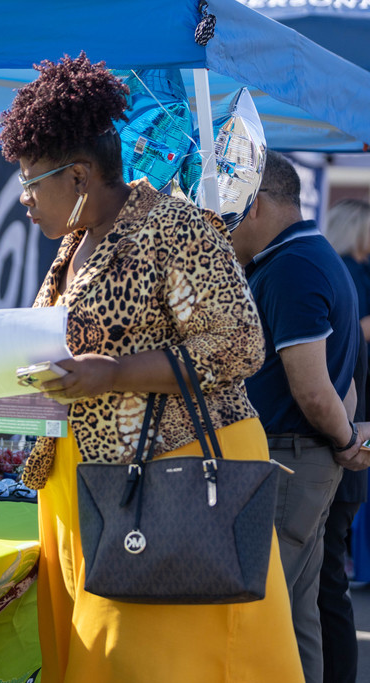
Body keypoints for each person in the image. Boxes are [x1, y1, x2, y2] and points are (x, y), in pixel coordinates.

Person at [0, 53, 302, 682]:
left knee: (152, 662)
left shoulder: (174, 226)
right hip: (85, 483)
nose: (24, 199)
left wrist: (114, 373)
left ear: (79, 175)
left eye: (32, 180)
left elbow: (240, 345)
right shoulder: (74, 245)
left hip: (175, 474)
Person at [234, 163, 370, 683]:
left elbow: (314, 387)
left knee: (263, 614)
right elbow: (344, 376)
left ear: (258, 203)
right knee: (296, 613)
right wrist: (345, 436)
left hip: (288, 460)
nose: (223, 222)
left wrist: (343, 439)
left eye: (232, 207)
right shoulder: (314, 256)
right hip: (299, 459)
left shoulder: (294, 264)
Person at [320, 198, 370, 683]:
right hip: (349, 439)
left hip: (346, 442)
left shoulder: (340, 278)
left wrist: (344, 436)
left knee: (325, 581)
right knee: (326, 581)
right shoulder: (347, 277)